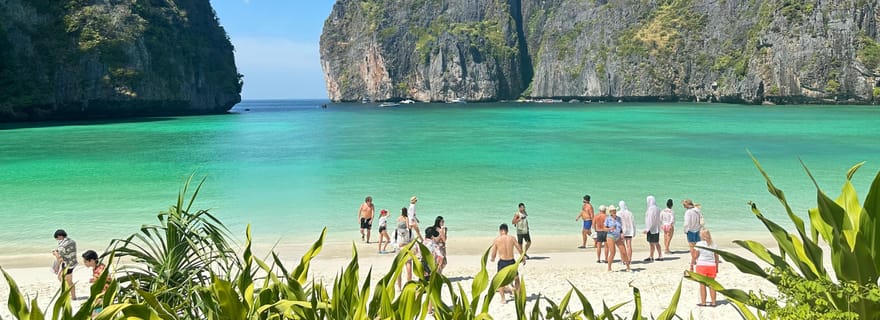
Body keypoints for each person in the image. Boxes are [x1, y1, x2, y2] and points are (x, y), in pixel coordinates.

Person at [490, 223, 525, 304]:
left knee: (501, 281)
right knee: (516, 279)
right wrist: (523, 257)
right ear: (507, 230)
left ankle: (503, 299)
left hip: (502, 262)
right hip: (511, 261)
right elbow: (519, 248)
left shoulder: (496, 240)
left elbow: (494, 253)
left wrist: (492, 258)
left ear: (500, 231)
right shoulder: (512, 238)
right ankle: (518, 296)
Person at [691, 228, 719, 307]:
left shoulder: (699, 244)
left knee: (702, 285)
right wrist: (717, 267)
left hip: (702, 266)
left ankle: (703, 302)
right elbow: (716, 257)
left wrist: (692, 265)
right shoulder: (713, 244)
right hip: (712, 266)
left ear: (701, 235)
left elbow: (695, 256)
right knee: (712, 285)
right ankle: (713, 302)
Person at [52, 229, 77, 300]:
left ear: (60, 236)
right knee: (65, 279)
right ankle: (72, 295)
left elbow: (60, 258)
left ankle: (71, 295)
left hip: (67, 264)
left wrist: (55, 253)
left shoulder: (62, 246)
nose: (57, 240)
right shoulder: (72, 241)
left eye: (57, 238)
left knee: (64, 279)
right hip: (73, 262)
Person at [604, 206, 630, 272]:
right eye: (613, 210)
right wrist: (610, 229)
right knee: (613, 252)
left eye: (615, 210)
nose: (614, 211)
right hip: (610, 236)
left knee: (624, 252)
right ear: (610, 212)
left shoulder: (619, 218)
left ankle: (628, 267)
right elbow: (604, 228)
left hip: (618, 237)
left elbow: (620, 228)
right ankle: (609, 268)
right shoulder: (607, 219)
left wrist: (622, 233)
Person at [82, 250, 107, 315]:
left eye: (85, 261)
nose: (84, 263)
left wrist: (95, 280)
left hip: (102, 294)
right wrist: (94, 279)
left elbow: (106, 279)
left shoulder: (99, 269)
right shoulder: (99, 266)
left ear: (92, 260)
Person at [396, 207, 413, 290]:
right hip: (400, 250)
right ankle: (400, 287)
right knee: (400, 270)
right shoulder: (406, 218)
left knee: (408, 270)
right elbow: (408, 226)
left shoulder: (399, 218)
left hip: (405, 250)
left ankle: (406, 286)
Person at [643, 196, 662, 261]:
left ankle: (652, 256)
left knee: (652, 243)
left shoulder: (651, 209)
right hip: (657, 228)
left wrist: (647, 229)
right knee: (656, 242)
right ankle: (659, 256)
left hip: (652, 229)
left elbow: (650, 220)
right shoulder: (658, 208)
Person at [617, 200, 635, 267]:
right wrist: (634, 231)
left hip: (622, 232)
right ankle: (629, 260)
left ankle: (623, 260)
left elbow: (618, 223)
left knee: (622, 246)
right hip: (629, 231)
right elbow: (633, 223)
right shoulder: (630, 213)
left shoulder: (618, 213)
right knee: (629, 246)